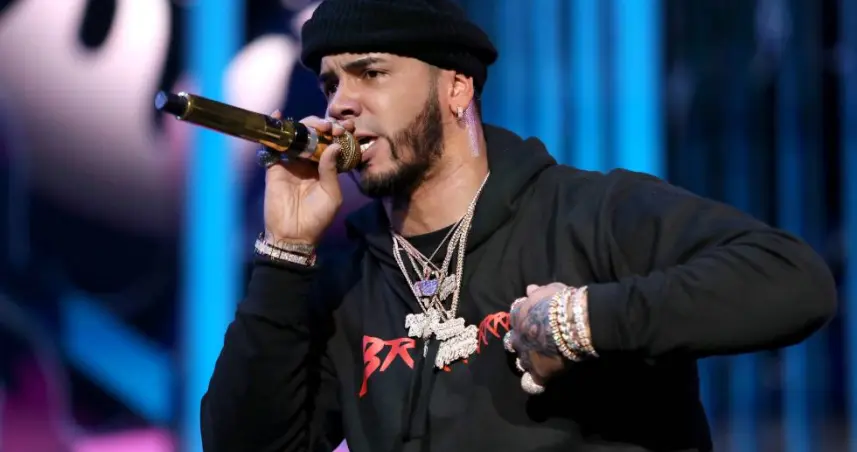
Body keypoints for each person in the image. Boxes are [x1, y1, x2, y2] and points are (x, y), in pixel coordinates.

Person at [200, 1, 838, 451]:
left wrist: (581, 322)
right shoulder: (347, 278)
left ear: (456, 88)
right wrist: (285, 253)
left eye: (371, 73)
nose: (340, 103)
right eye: (330, 83)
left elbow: (793, 280)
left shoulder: (591, 212)